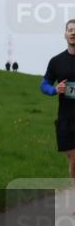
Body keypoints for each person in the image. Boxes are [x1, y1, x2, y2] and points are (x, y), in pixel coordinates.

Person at [41, 19, 75, 181]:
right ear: (65, 34)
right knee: (74, 159)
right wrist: (54, 89)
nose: (73, 33)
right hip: (66, 118)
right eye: (70, 30)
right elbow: (44, 85)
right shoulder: (56, 62)